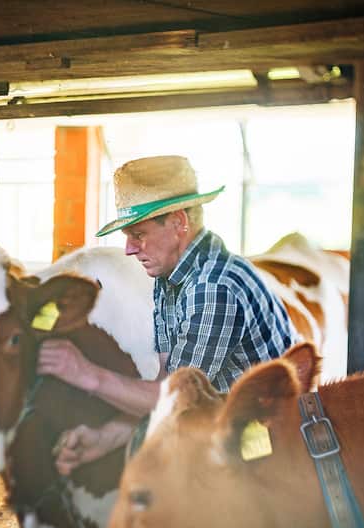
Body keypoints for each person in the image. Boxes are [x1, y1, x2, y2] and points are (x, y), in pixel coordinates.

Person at [37, 155, 294, 474]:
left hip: (269, 438)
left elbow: (176, 401)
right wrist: (106, 438)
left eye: (138, 234)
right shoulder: (168, 279)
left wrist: (86, 373)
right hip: (223, 417)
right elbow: (165, 384)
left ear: (178, 223)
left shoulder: (213, 287)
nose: (129, 249)